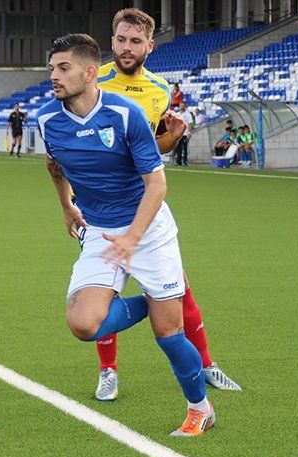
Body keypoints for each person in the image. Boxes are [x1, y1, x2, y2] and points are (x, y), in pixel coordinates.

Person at [39, 33, 215, 436]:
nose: (54, 76)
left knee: (169, 335)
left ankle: (199, 408)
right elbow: (54, 165)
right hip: (100, 230)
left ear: (88, 72)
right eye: (52, 68)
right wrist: (66, 205)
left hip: (148, 229)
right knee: (85, 324)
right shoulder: (47, 118)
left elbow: (157, 185)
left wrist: (133, 238)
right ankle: (154, 303)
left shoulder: (125, 114)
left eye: (63, 68)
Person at [89, 8, 242, 401]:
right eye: (121, 39)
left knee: (182, 287)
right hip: (103, 208)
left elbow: (150, 152)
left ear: (149, 46)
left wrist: (171, 139)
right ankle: (108, 372)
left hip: (146, 205)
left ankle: (206, 364)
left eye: (135, 41)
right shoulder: (92, 82)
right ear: (112, 41)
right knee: (103, 295)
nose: (127, 47)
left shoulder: (159, 89)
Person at [175, 101, 193, 166]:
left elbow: (190, 123)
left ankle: (184, 162)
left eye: (183, 105)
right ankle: (178, 162)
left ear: (185, 106)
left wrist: (190, 132)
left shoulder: (188, 114)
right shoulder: (177, 114)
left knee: (184, 148)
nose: (182, 106)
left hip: (185, 134)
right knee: (178, 148)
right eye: (180, 105)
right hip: (178, 134)